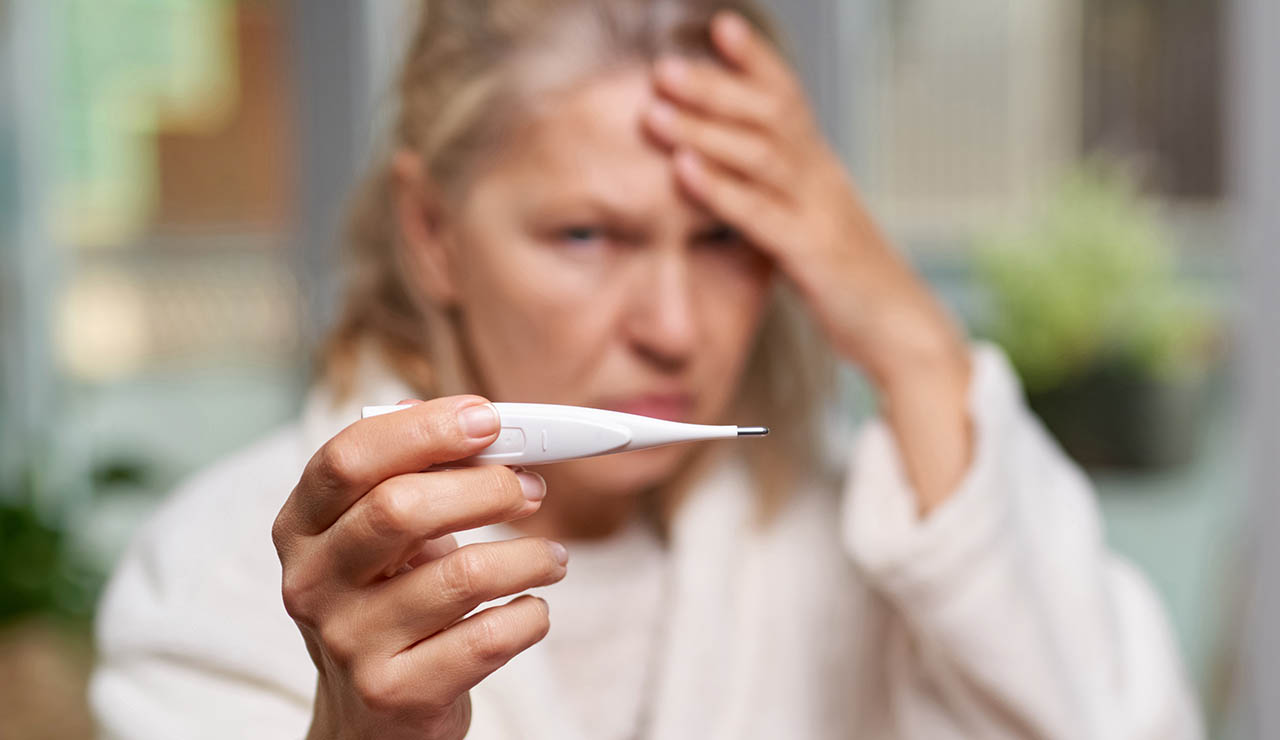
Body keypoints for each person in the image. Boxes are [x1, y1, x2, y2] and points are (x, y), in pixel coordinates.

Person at [90, 1, 1202, 738]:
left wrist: (912, 341)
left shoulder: (877, 545)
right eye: (586, 236)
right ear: (430, 227)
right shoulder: (218, 574)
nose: (672, 326)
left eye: (722, 238)